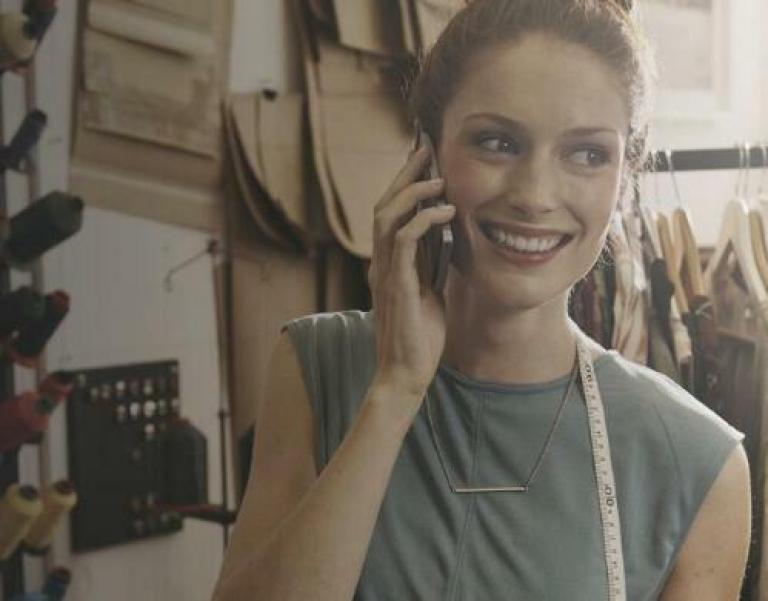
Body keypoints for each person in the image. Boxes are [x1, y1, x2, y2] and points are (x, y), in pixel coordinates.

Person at [212, 1, 752, 599]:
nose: (535, 196)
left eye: (588, 154)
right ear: (427, 152)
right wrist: (394, 393)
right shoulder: (318, 367)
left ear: (623, 181)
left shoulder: (696, 462)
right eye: (497, 142)